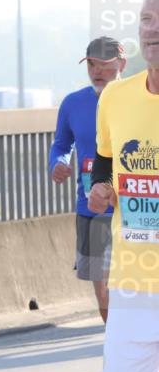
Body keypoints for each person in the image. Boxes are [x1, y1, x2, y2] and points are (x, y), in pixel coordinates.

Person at [86, 0, 159, 372]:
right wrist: (102, 188)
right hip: (134, 280)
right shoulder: (116, 97)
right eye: (146, 19)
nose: (151, 28)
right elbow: (104, 165)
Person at [49, 37, 127, 322]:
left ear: (122, 65)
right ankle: (115, 345)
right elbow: (61, 144)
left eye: (105, 66)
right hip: (90, 209)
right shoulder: (73, 103)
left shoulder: (138, 100)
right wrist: (58, 163)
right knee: (104, 294)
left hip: (132, 213)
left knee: (132, 290)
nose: (97, 71)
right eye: (92, 64)